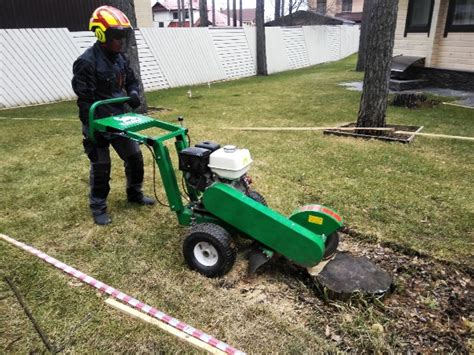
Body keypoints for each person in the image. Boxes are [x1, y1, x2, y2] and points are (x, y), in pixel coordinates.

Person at [72, 6, 155, 226]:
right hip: (96, 120)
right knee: (101, 165)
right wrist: (92, 129)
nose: (121, 41)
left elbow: (131, 81)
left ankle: (134, 193)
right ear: (101, 34)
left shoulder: (121, 58)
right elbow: (84, 100)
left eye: (123, 35)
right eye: (116, 36)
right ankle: (98, 206)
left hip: (118, 118)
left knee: (135, 157)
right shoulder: (86, 63)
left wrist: (134, 93)